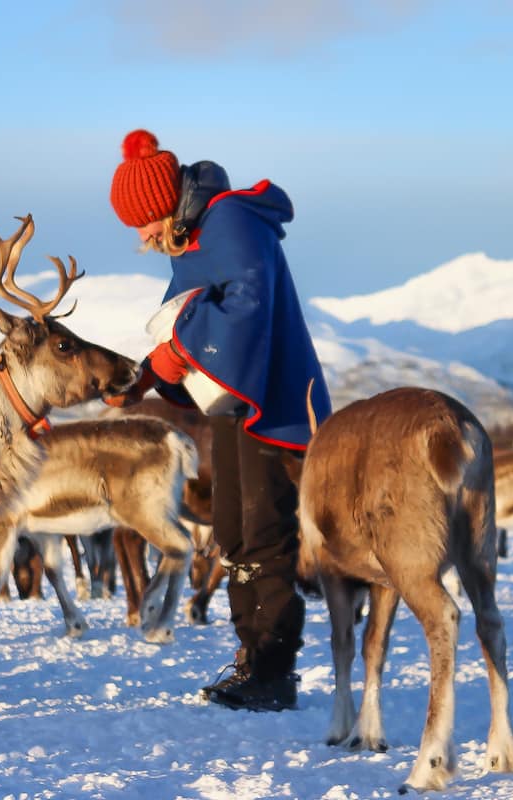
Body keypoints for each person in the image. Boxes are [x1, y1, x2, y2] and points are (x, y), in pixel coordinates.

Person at [104, 129, 331, 712]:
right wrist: (149, 379)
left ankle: (273, 672)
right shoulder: (192, 238)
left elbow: (245, 304)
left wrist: (176, 352)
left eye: (145, 220)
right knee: (230, 530)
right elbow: (184, 321)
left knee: (264, 533)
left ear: (165, 203)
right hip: (233, 403)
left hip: (273, 404)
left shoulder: (229, 222)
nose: (143, 235)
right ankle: (250, 659)